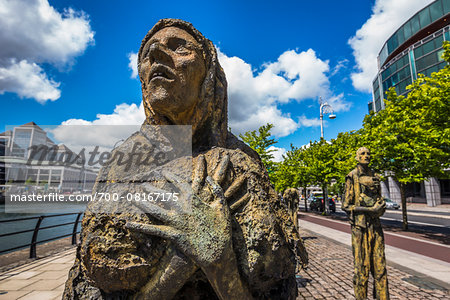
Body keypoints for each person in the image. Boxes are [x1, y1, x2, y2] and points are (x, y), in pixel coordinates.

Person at [63, 19, 307, 299]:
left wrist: (221, 263)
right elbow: (87, 285)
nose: (156, 55)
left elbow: (278, 288)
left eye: (179, 48)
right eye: (148, 54)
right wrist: (182, 261)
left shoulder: (241, 162)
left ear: (209, 73)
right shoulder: (123, 162)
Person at [342, 147, 389, 300]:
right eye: (362, 154)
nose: (366, 156)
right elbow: (346, 205)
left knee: (380, 268)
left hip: (376, 227)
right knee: (361, 270)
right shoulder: (352, 176)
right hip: (360, 229)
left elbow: (380, 202)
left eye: (368, 154)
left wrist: (380, 209)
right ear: (357, 157)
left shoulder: (376, 176)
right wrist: (370, 210)